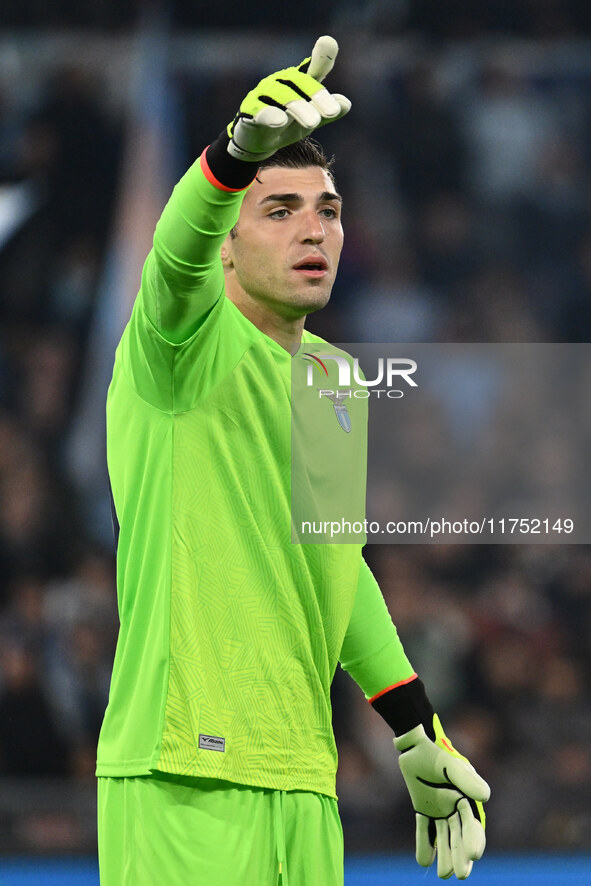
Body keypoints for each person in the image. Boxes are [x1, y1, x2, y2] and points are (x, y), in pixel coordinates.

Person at [97, 36, 490, 885]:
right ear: (226, 245)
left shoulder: (335, 379)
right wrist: (232, 158)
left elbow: (336, 568)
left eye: (328, 209)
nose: (314, 228)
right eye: (279, 210)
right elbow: (173, 256)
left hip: (306, 783)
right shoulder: (180, 344)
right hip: (181, 776)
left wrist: (417, 731)